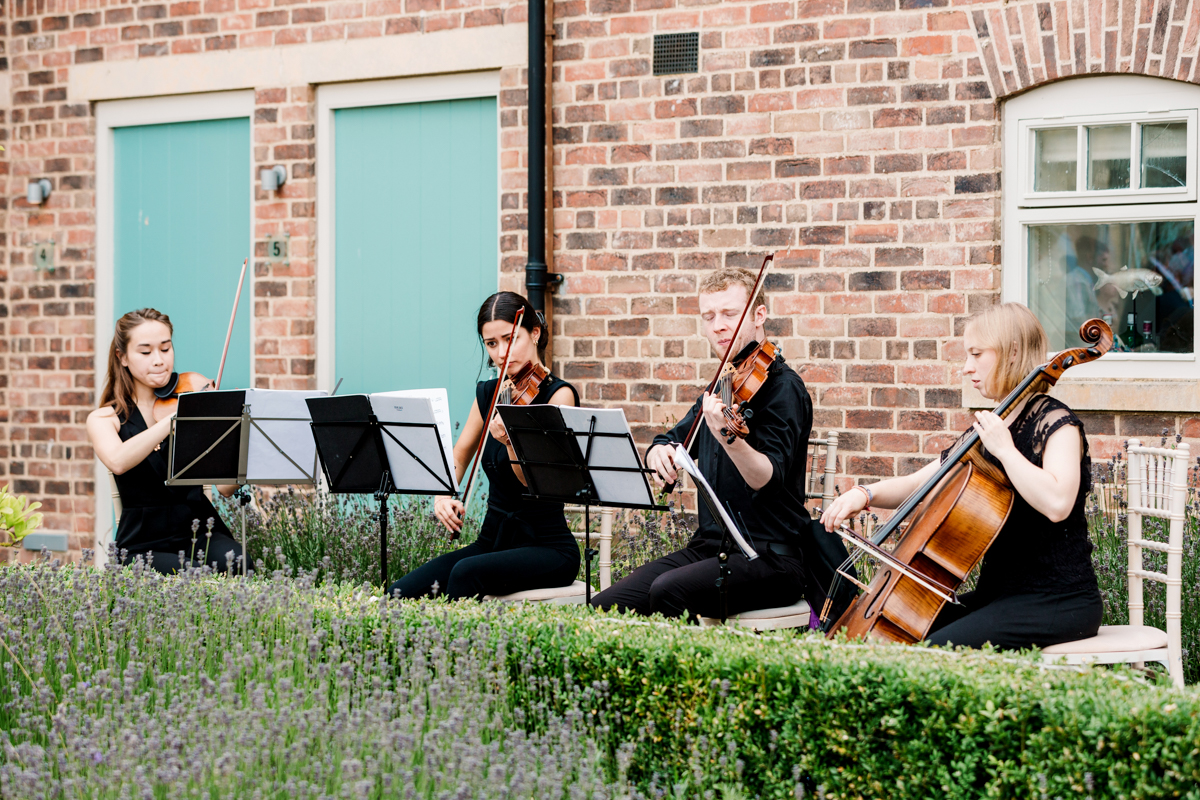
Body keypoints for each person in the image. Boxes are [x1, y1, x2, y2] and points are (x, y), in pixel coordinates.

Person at [821, 302, 1102, 649]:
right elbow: (921, 483)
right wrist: (864, 494)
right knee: (895, 636)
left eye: (976, 354)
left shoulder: (1056, 422)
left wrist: (1005, 450)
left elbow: (1058, 504)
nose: (966, 369)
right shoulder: (996, 423)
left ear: (1012, 352)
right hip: (999, 596)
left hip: (1058, 600)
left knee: (933, 651)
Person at [590, 267, 813, 619]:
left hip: (771, 557)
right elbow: (674, 438)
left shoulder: (783, 388)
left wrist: (728, 436)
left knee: (669, 591)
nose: (717, 326)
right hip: (712, 548)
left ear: (759, 315)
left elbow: (766, 478)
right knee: (605, 606)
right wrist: (657, 452)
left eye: (729, 314)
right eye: (708, 317)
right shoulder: (722, 386)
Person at [388, 292, 582, 600]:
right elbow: (461, 453)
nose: (502, 352)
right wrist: (443, 493)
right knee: (399, 592)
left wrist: (511, 442)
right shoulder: (491, 394)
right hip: (492, 542)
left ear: (535, 333)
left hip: (547, 547)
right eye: (492, 344)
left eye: (511, 338)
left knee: (465, 574)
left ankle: (454, 647)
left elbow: (537, 483)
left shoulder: (558, 396)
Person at [87, 308, 245, 574]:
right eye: (146, 352)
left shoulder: (192, 395)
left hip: (200, 529)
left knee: (239, 562)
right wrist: (173, 419)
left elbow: (225, 489)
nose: (159, 360)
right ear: (122, 357)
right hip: (143, 542)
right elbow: (118, 461)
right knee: (192, 575)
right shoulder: (105, 418)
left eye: (165, 349)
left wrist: (237, 441)